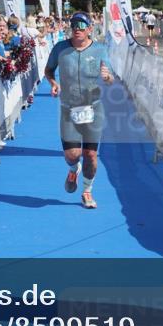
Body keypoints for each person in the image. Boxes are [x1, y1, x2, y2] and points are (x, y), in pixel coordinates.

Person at [44, 12, 114, 210]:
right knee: (73, 155)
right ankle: (73, 169)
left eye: (82, 26)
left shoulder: (100, 50)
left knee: (91, 154)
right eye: (74, 25)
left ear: (90, 29)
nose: (77, 29)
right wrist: (53, 83)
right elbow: (48, 70)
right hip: (69, 109)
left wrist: (107, 77)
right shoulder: (60, 48)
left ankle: (87, 191)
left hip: (94, 109)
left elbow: (110, 79)